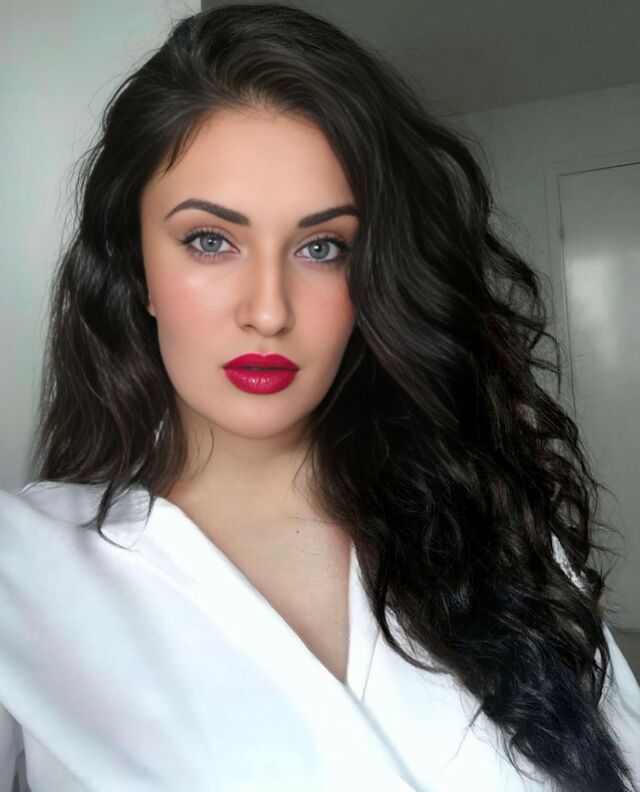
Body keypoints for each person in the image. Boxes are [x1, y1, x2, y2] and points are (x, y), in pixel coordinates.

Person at [0, 3, 638, 791]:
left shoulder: (492, 533)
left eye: (322, 247)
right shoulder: (23, 567)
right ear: (138, 269)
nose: (268, 311)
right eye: (210, 241)